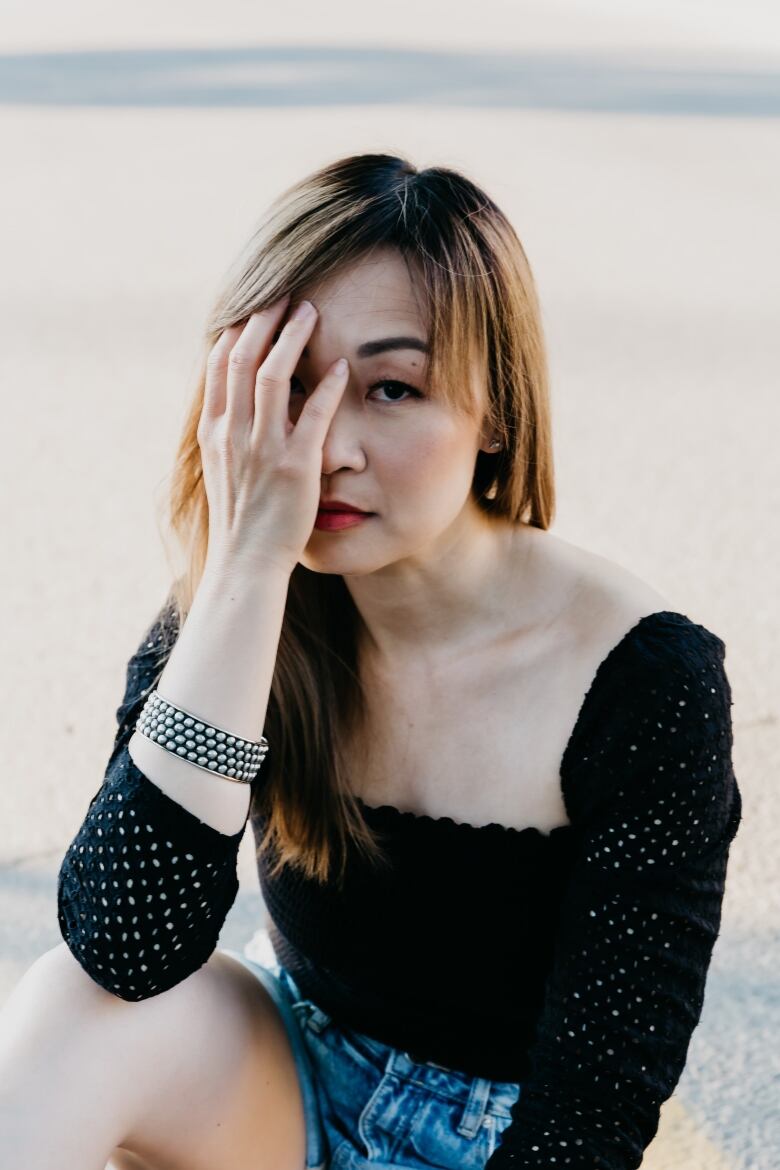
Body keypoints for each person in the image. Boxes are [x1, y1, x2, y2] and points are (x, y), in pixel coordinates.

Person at [0, 153, 742, 1170]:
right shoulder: (243, 605)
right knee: (67, 1014)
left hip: (507, 1138)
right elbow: (124, 953)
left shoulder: (644, 682)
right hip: (286, 1069)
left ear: (498, 416)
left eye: (391, 389)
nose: (327, 447)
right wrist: (249, 565)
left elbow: (592, 1116)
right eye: (292, 386)